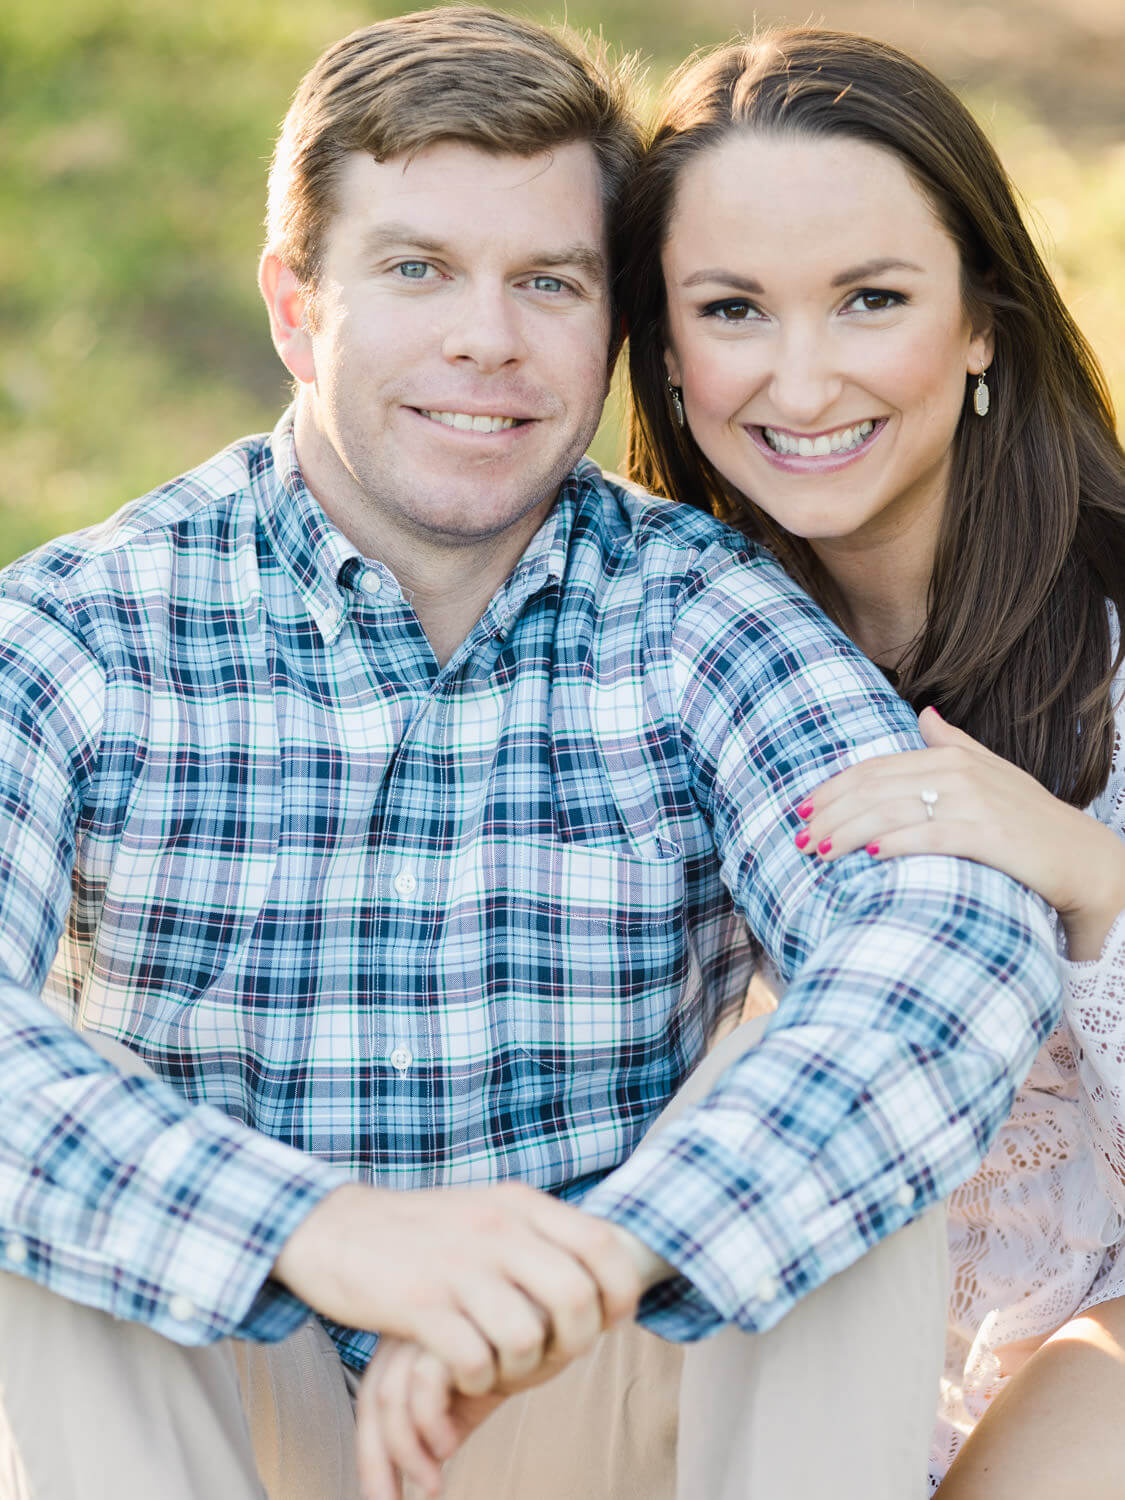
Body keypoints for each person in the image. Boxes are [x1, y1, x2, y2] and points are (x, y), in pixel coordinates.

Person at [0, 11, 1061, 1500]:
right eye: (417, 269)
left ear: (612, 332)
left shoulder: (700, 612)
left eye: (545, 282)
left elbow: (946, 933)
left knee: (828, 1159)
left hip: (591, 1366)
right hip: (240, 1397)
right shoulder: (83, 629)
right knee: (62, 1212)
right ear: (297, 308)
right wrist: (318, 1231)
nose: (483, 340)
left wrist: (622, 1249)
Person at [621, 26, 1125, 1498]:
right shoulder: (658, 637)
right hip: (769, 1334)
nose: (800, 377)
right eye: (730, 308)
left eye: (869, 301)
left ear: (981, 319)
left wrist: (1091, 878)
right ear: (660, 347)